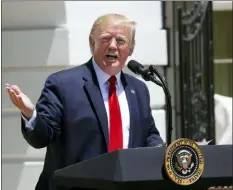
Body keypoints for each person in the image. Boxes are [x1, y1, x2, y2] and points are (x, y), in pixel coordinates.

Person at [5, 13, 164, 190]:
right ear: (92, 43)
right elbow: (42, 136)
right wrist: (30, 114)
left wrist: (164, 152)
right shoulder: (63, 85)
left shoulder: (138, 89)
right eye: (105, 39)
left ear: (131, 49)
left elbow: (149, 134)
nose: (112, 46)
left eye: (120, 41)